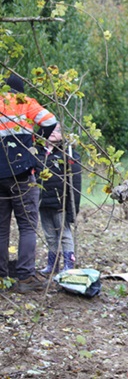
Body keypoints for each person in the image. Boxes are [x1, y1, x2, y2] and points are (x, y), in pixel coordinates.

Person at [0, 74, 57, 293]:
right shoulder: (25, 102)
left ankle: (2, 277)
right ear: (20, 89)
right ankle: (25, 277)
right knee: (27, 225)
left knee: (1, 229)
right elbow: (50, 121)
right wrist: (37, 144)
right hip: (22, 174)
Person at [36, 123, 82, 275]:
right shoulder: (38, 152)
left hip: (60, 202)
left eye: (58, 131)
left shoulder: (68, 154)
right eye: (51, 130)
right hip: (43, 202)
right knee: (50, 235)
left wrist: (72, 206)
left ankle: (69, 264)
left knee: (64, 234)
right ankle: (52, 264)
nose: (53, 133)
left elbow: (75, 182)